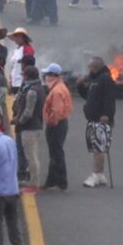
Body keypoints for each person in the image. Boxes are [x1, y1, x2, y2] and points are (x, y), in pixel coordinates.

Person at [76, 57, 115, 188]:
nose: (89, 70)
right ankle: (100, 175)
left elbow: (110, 98)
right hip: (92, 119)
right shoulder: (94, 80)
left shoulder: (105, 78)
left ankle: (96, 174)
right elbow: (88, 96)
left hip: (101, 119)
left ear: (96, 67)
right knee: (95, 147)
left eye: (90, 67)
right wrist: (80, 86)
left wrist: (106, 114)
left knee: (99, 148)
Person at [13, 66, 45, 192]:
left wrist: (19, 121)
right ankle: (33, 181)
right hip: (35, 126)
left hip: (29, 127)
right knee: (32, 156)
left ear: (27, 76)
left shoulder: (32, 91)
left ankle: (34, 184)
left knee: (31, 157)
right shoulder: (39, 87)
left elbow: (28, 112)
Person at [42, 63, 71, 191]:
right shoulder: (60, 87)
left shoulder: (57, 91)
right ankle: (52, 181)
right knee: (55, 153)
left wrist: (51, 122)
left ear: (53, 75)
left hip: (56, 125)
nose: (46, 77)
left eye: (47, 74)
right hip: (60, 123)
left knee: (56, 154)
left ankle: (61, 182)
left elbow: (57, 111)